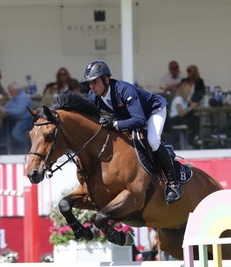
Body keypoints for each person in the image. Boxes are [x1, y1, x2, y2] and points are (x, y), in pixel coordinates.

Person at [82, 60, 181, 203]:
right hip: (129, 115)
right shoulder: (93, 96)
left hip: (153, 111)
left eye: (95, 82)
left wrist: (114, 123)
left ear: (106, 79)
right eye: (89, 83)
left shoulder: (124, 90)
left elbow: (140, 120)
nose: (92, 87)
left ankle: (173, 183)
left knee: (152, 141)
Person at [163, 81, 199, 149]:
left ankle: (193, 138)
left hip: (179, 118)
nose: (189, 92)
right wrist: (190, 107)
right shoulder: (178, 99)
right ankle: (191, 141)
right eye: (187, 91)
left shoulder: (184, 99)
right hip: (175, 119)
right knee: (193, 122)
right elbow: (181, 114)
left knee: (195, 118)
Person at [4, 82, 34, 154]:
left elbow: (19, 112)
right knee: (4, 129)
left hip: (27, 120)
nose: (9, 93)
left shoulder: (23, 98)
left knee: (15, 133)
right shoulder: (15, 97)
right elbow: (8, 105)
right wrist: (6, 109)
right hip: (17, 120)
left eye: (10, 91)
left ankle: (26, 147)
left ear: (16, 90)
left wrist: (7, 110)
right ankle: (8, 149)